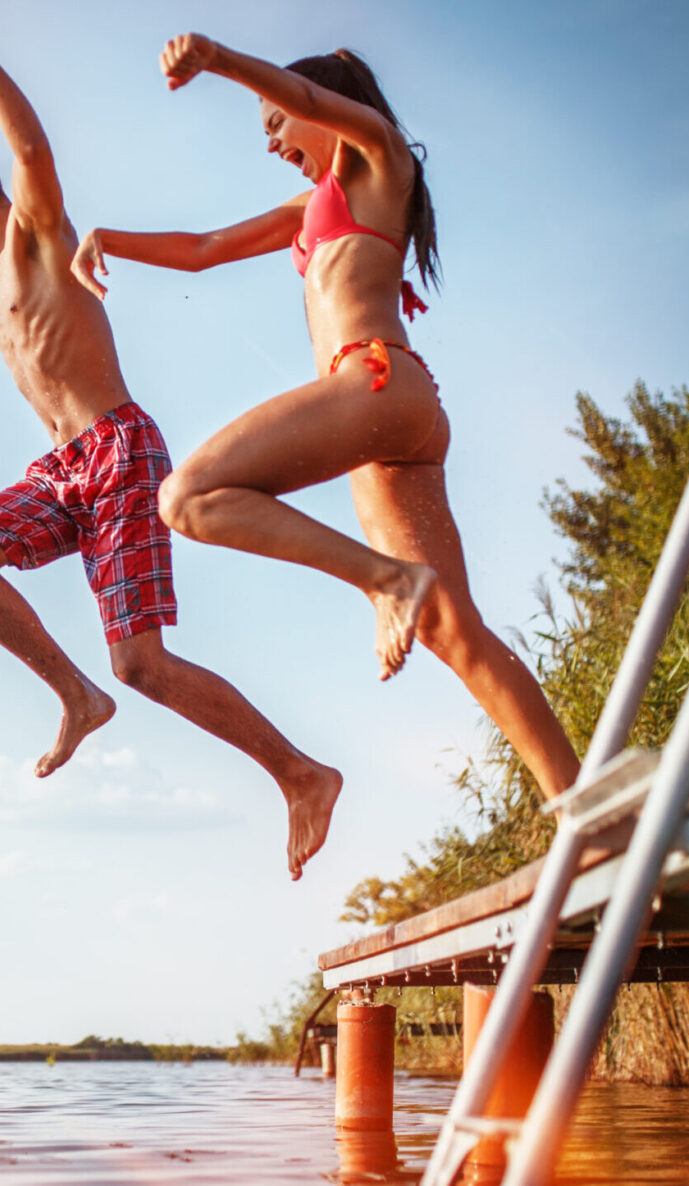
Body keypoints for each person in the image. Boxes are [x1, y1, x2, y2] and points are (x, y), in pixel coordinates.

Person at [69, 37, 581, 798]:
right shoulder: (310, 209)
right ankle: (577, 800)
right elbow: (206, 247)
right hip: (383, 422)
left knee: (188, 498)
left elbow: (313, 103)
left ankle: (383, 584)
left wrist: (219, 61)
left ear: (328, 111)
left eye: (274, 123)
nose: (273, 141)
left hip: (373, 381)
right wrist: (109, 240)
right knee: (450, 627)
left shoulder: (381, 158)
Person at [0, 0, 343, 880]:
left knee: (142, 664)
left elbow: (30, 155)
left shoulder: (35, 238)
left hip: (117, 449)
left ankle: (300, 773)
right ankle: (75, 695)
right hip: (62, 470)